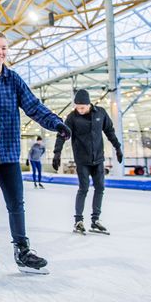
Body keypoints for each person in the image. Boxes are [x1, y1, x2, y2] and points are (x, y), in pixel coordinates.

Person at [0, 31, 71, 281]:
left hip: (8, 149)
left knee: (16, 202)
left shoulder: (13, 80)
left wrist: (57, 123)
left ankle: (22, 251)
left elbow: (33, 106)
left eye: (3, 48)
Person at [52, 89, 122, 235]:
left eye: (82, 107)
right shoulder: (72, 117)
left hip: (98, 159)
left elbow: (109, 131)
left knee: (100, 187)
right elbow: (62, 135)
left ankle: (95, 220)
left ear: (89, 104)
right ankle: (78, 221)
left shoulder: (101, 113)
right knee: (83, 188)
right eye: (77, 107)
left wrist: (118, 148)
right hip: (82, 160)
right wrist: (56, 153)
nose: (79, 110)